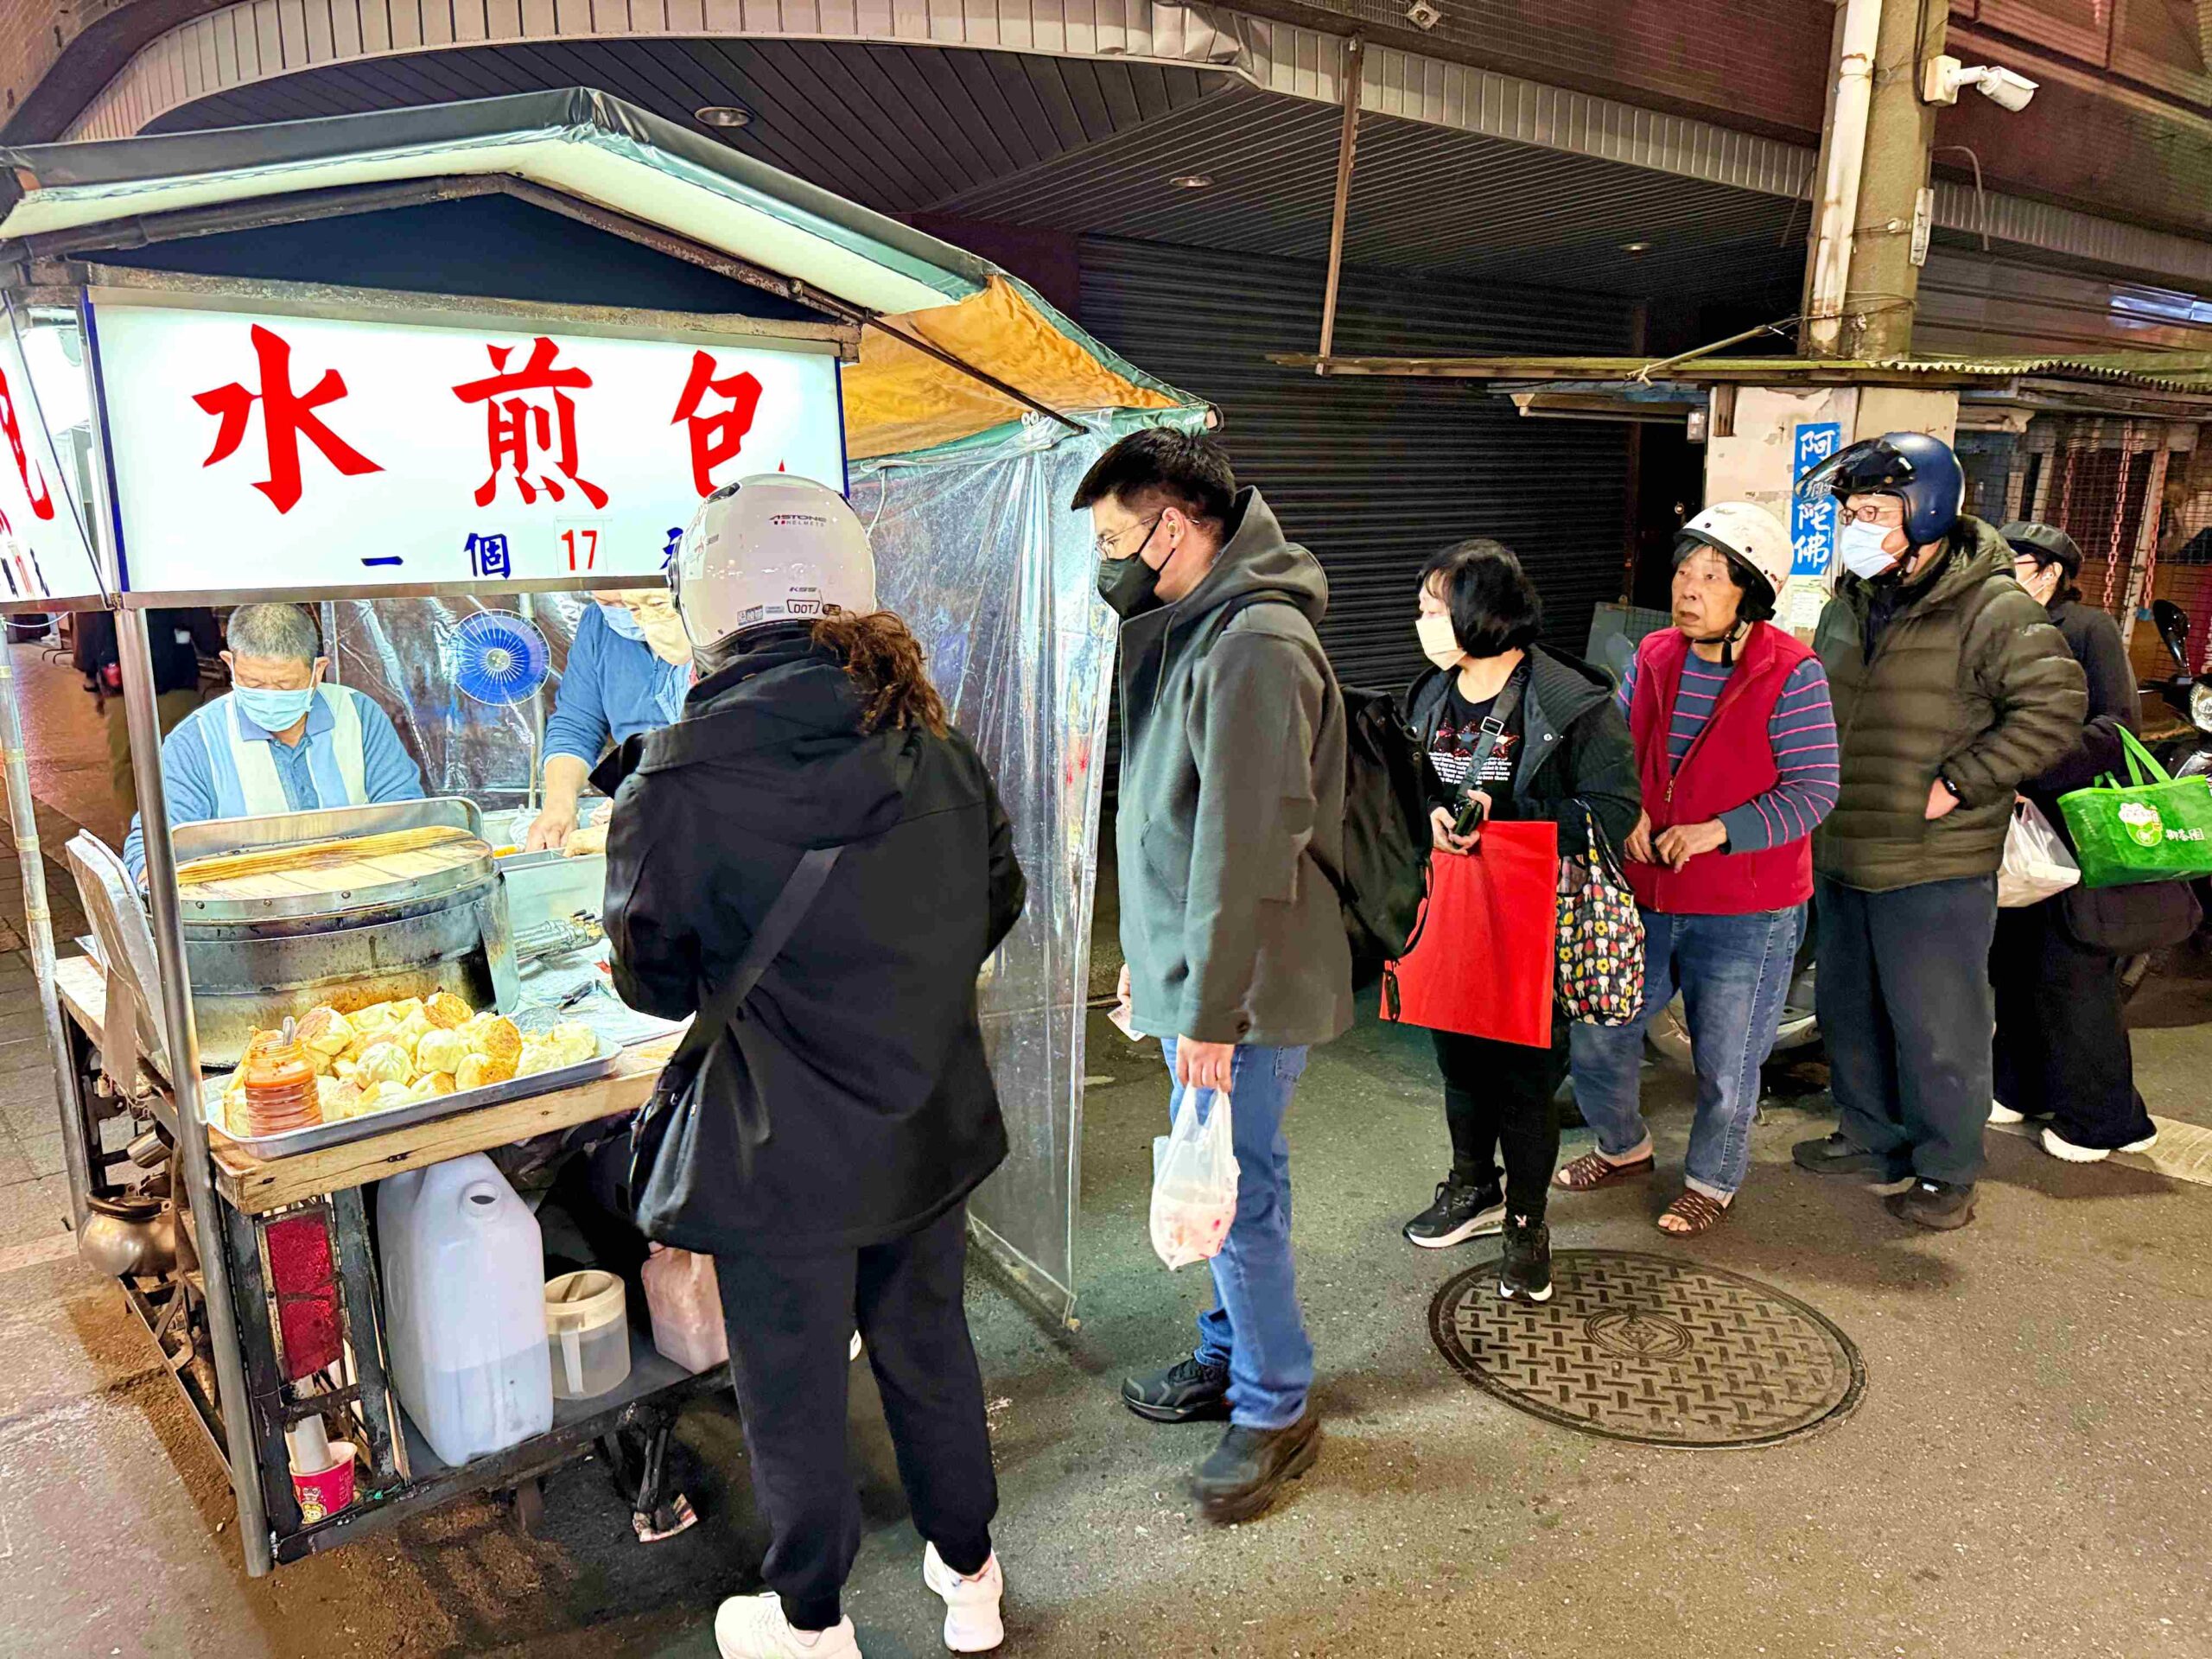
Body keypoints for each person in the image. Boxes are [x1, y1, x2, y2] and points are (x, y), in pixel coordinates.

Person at [601, 476, 1024, 1659]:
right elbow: (996, 899)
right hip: (925, 1116)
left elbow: (654, 980)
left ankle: (810, 1622)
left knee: (789, 1391)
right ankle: (972, 1580)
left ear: (711, 605)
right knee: (930, 1348)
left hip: (774, 1143)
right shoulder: (931, 743)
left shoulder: (674, 781)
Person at [1079, 429, 1351, 1523]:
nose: (1107, 561)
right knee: (1220, 1176)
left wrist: (1209, 1012)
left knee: (1237, 1196)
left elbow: (1244, 852)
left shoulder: (1252, 644)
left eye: (1113, 538)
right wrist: (1153, 972)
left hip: (1240, 987)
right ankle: (1227, 1353)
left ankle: (1276, 1405)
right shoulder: (1198, 626)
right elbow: (1173, 826)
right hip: (1202, 977)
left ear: (1173, 528)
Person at [1789, 433, 2086, 1230]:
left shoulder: (1993, 608)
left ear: (1924, 510)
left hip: (1935, 860)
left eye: (1875, 511)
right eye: (1851, 512)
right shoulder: (1850, 603)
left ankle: (1946, 1166)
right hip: (1845, 843)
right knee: (1850, 1007)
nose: (1858, 526)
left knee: (1938, 1022)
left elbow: (2056, 707)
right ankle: (1870, 1135)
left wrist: (1961, 781)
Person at [1558, 504, 1838, 1234]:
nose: (1690, 587)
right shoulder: (1653, 656)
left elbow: (1814, 791)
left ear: (1752, 593)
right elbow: (1612, 751)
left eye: (1712, 575)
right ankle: (1623, 1146)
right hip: (1644, 895)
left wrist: (1720, 831)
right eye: (1686, 570)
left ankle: (1713, 1181)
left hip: (1748, 908)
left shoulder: (1792, 674)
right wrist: (1632, 814)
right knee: (1600, 1029)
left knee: (1726, 1061)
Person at [1401, 541, 1640, 1291]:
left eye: (1433, 609)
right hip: (1451, 909)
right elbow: (1410, 785)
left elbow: (1612, 808)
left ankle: (1527, 1223)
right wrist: (1435, 811)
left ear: (1480, 615)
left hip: (1533, 917)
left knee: (1524, 1079)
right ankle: (1472, 1185)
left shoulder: (1572, 702)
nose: (1422, 623)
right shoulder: (1432, 691)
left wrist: (1503, 819)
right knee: (1459, 1062)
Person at [1988, 521, 2162, 1163]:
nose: (2005, 575)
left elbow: (2118, 726)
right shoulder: (2003, 628)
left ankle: (2108, 1118)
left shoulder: (2086, 629)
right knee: (2016, 965)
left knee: (2072, 974)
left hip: (2073, 827)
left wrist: (2027, 766)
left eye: (2017, 564)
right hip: (2017, 832)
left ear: (2051, 571)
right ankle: (2020, 1086)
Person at [121, 602, 423, 882]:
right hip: (248, 920)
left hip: (359, 898)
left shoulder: (358, 715)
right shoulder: (196, 741)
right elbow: (150, 849)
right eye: (253, 684)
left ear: (317, 671)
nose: (269, 696)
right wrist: (154, 878)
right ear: (230, 663)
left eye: (285, 685)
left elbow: (405, 813)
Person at [523, 586, 692, 850]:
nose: (633, 617)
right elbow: (576, 724)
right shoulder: (598, 625)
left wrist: (655, 796)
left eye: (654, 604)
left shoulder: (714, 631)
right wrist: (559, 803)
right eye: (608, 602)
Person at [73, 607, 222, 817]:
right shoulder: (172, 580)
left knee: (127, 767)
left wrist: (90, 678)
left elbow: (89, 626)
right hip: (177, 686)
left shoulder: (105, 580)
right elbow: (207, 638)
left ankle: (138, 837)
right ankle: (183, 829)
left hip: (122, 690)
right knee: (183, 760)